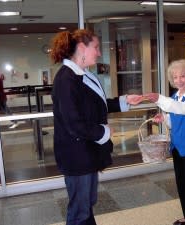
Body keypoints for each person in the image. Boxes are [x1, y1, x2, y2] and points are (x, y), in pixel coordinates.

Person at [50, 29, 143, 225]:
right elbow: (74, 124)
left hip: (87, 152)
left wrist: (124, 101)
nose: (99, 53)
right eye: (96, 47)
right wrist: (104, 132)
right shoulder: (66, 80)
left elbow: (95, 105)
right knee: (79, 212)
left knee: (86, 206)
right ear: (82, 48)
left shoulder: (82, 75)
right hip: (77, 156)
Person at [144, 59, 185, 225]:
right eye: (175, 77)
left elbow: (183, 109)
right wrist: (164, 117)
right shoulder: (175, 96)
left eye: (183, 76)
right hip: (178, 148)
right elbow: (175, 118)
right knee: (182, 186)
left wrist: (159, 98)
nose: (179, 80)